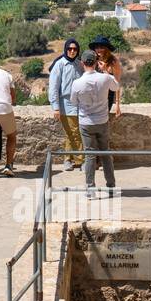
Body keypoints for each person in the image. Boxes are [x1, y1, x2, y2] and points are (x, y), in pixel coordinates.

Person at [69, 49, 119, 194]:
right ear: (97, 62)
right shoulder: (104, 78)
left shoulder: (77, 83)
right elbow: (116, 86)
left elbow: (73, 101)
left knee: (90, 155)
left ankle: (90, 187)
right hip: (102, 121)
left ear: (82, 63)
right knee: (106, 153)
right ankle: (111, 186)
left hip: (86, 122)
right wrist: (106, 72)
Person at [48, 38, 84, 171]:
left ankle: (67, 159)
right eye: (70, 49)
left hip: (79, 103)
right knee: (75, 132)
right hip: (65, 104)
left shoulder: (79, 64)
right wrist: (55, 107)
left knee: (71, 132)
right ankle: (81, 160)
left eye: (75, 49)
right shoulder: (59, 65)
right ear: (66, 49)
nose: (72, 51)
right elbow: (53, 87)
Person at [89, 36, 123, 117]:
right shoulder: (93, 59)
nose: (99, 49)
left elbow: (117, 83)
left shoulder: (113, 61)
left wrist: (117, 104)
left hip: (107, 97)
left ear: (107, 48)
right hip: (93, 96)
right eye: (97, 47)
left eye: (101, 47)